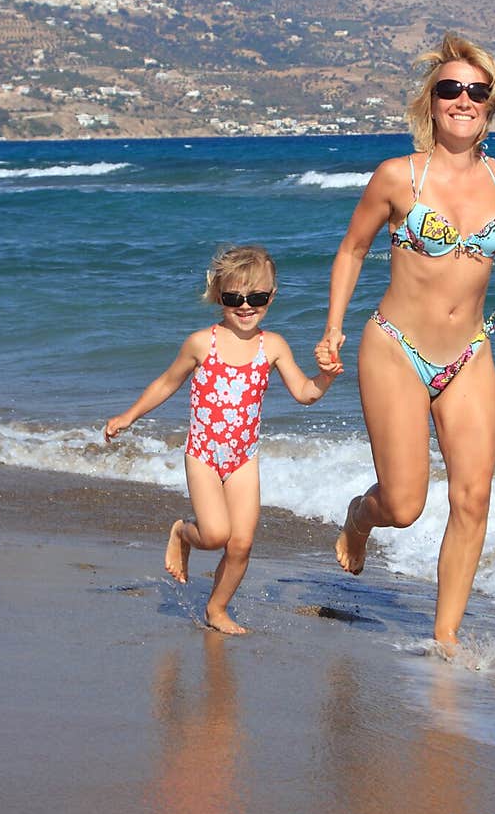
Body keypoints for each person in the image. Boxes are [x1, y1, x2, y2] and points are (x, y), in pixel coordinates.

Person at [315, 34, 495, 648]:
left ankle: (445, 640)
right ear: (431, 103)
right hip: (395, 347)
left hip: (469, 353)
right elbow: (352, 249)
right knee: (405, 504)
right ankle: (360, 518)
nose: (463, 100)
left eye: (476, 91)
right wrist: (333, 326)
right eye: (450, 90)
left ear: (490, 105)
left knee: (473, 499)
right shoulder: (398, 176)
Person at [105, 244, 338, 634]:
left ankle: (217, 608)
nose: (246, 306)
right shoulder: (202, 343)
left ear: (272, 297)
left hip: (244, 458)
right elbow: (166, 382)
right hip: (203, 455)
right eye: (234, 298)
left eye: (257, 297)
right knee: (214, 535)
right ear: (219, 296)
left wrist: (326, 375)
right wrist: (129, 415)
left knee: (241, 544)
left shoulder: (273, 346)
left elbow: (305, 393)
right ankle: (182, 531)